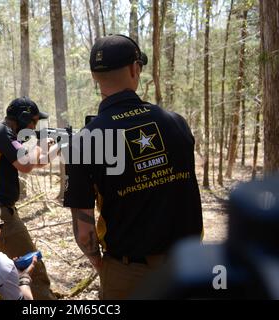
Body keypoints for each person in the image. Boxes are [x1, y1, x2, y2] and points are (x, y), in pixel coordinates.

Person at [64, 34, 203, 300]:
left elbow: (84, 230)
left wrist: (100, 263)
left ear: (94, 76)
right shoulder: (177, 123)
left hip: (128, 273)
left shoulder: (85, 141)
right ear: (134, 69)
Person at [0, 97, 57, 300]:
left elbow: (39, 162)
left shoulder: (5, 134)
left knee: (8, 273)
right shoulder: (0, 131)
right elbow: (26, 164)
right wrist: (40, 143)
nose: (33, 127)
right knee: (32, 266)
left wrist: (56, 146)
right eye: (33, 122)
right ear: (23, 118)